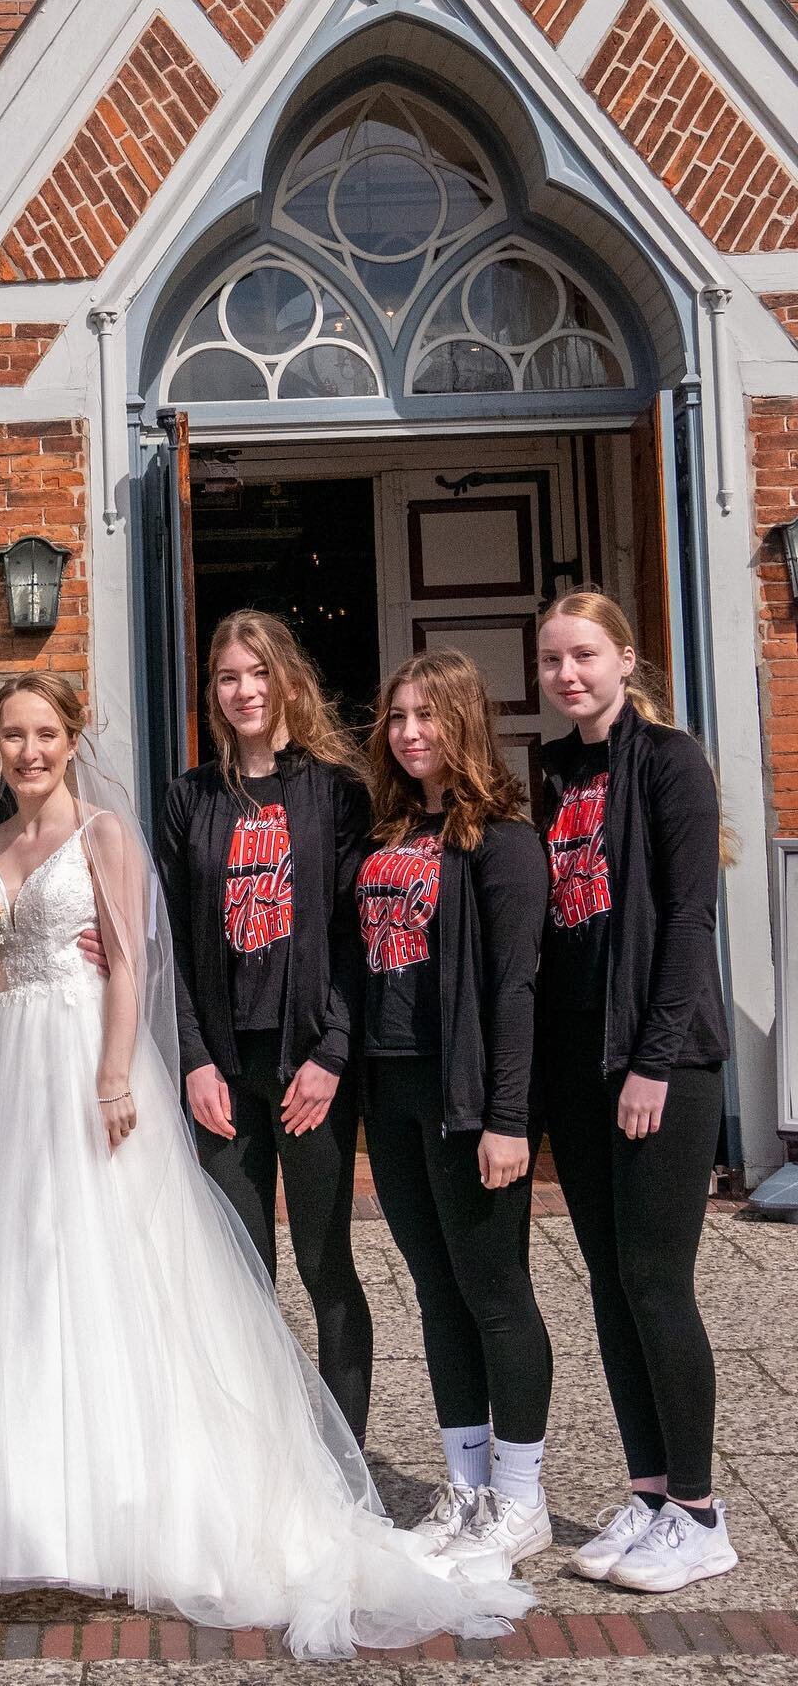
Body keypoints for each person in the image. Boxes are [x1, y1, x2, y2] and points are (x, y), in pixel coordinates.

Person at [0, 669, 532, 1658]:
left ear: (71, 737)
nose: (30, 750)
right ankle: (30, 1510)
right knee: (15, 1273)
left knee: (102, 1263)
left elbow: (130, 960)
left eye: (46, 732)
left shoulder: (108, 836)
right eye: (12, 735)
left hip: (90, 1059)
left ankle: (131, 1507)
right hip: (6, 1070)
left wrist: (117, 1078)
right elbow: (0, 962)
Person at [536, 589, 736, 1592]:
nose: (567, 674)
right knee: (611, 1285)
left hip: (662, 1059)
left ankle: (703, 1512)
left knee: (658, 1279)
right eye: (551, 660)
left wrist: (656, 1061)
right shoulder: (556, 767)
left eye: (583, 655)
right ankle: (652, 1492)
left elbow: (691, 918)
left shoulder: (670, 760)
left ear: (623, 657)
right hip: (577, 1062)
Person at [357, 651, 553, 1585]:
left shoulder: (505, 840)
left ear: (465, 720)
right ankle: (467, 1489)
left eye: (427, 715)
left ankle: (523, 1499)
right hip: (392, 1094)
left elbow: (515, 989)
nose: (409, 733)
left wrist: (508, 1118)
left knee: (496, 1293)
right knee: (437, 1293)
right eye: (398, 716)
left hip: (466, 1097)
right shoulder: (388, 828)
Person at [157, 609, 373, 1441]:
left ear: (288, 678)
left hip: (306, 1065)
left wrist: (332, 1052)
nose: (244, 690)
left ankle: (343, 1460)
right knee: (242, 1274)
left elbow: (359, 936)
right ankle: (262, 1454)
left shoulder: (334, 791)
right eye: (226, 676)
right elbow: (167, 940)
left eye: (257, 673)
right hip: (222, 1069)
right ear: (212, 691)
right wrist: (193, 1060)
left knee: (324, 1266)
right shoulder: (191, 797)